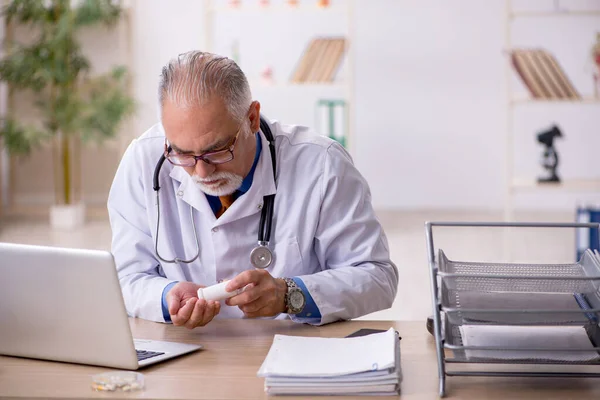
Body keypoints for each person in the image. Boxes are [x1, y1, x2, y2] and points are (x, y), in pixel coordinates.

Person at [107, 51, 398, 329]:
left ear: (252, 118)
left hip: (291, 351)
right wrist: (165, 295)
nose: (201, 171)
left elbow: (376, 277)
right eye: (182, 154)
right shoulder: (144, 160)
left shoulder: (322, 164)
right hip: (186, 348)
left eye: (217, 151)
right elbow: (124, 277)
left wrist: (289, 294)